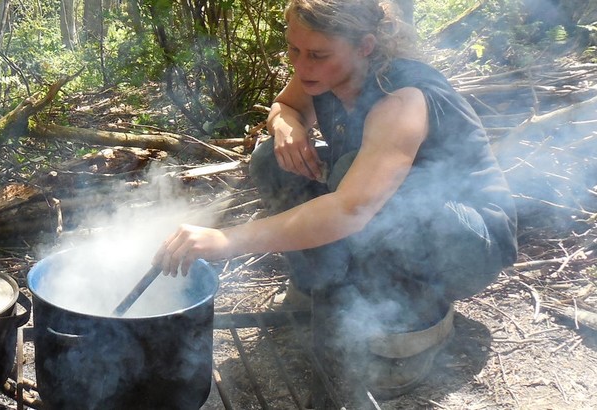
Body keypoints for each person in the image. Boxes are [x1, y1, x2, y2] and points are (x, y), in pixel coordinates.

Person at [153, 0, 518, 400]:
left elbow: (353, 209)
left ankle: (414, 329)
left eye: (316, 55)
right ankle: (318, 285)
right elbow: (285, 105)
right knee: (272, 158)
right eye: (294, 50)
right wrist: (286, 126)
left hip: (468, 243)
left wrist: (228, 240)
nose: (301, 65)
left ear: (364, 46)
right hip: (391, 210)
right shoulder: (324, 75)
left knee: (357, 181)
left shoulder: (402, 99)